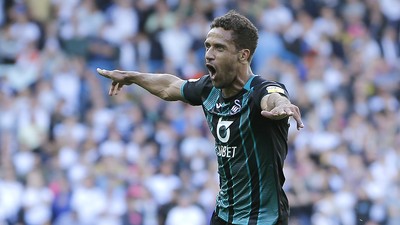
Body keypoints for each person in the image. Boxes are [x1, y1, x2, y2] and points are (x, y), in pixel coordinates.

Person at [97, 10, 304, 225]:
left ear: (243, 55)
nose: (208, 54)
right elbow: (170, 86)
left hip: (264, 219)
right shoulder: (208, 89)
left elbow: (273, 97)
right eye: (208, 46)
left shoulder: (260, 90)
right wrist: (132, 77)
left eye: (219, 47)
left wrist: (283, 106)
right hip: (223, 216)